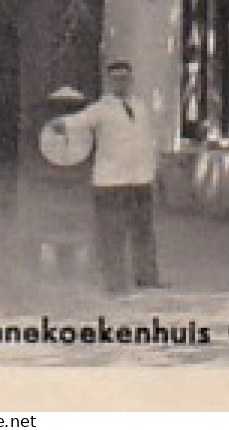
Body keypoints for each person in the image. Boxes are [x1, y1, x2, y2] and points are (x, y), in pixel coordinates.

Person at [52, 60, 162, 294]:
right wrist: (60, 125)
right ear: (110, 81)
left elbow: (148, 141)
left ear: (131, 80)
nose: (121, 82)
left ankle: (147, 277)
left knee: (143, 230)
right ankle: (114, 283)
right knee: (111, 233)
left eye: (125, 78)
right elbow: (78, 122)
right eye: (117, 78)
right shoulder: (101, 109)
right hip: (111, 181)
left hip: (140, 178)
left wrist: (154, 172)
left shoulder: (141, 107)